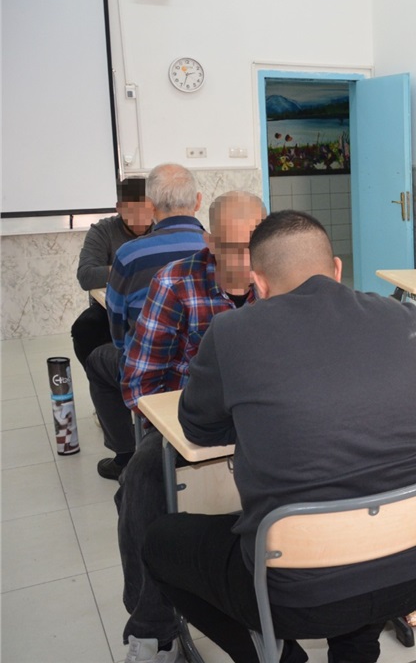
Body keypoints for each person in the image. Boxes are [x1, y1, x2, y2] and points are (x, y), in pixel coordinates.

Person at [143, 211, 416, 663]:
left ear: (258, 283)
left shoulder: (232, 333)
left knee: (159, 543)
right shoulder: (402, 315)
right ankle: (356, 649)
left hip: (297, 598)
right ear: (336, 269)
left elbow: (198, 427)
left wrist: (262, 420)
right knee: (367, 503)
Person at [113, 192, 266, 663]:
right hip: (185, 420)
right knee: (142, 479)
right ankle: (153, 628)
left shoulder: (280, 274)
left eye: (254, 245)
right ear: (209, 242)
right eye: (232, 247)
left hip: (265, 416)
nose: (245, 261)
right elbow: (139, 383)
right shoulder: (175, 282)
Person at [86, 164, 206, 480]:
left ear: (150, 206)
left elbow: (118, 332)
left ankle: (125, 455)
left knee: (98, 359)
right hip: (212, 374)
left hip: (156, 378)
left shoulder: (130, 255)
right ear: (197, 201)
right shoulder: (218, 248)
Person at [71, 178, 154, 368]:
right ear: (119, 208)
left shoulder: (162, 228)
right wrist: (128, 266)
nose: (140, 219)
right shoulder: (103, 230)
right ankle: (100, 376)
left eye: (146, 211)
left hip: (157, 303)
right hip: (113, 307)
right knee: (84, 329)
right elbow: (86, 276)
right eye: (132, 212)